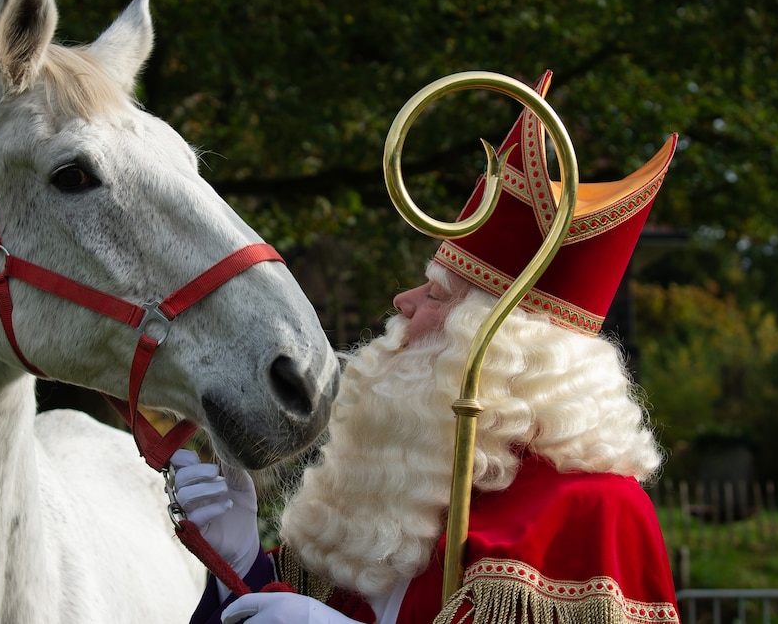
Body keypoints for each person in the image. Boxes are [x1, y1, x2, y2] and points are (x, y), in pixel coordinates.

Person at [170, 70, 682, 624]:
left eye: (436, 291)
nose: (403, 300)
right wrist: (241, 561)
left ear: (500, 343)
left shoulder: (597, 510)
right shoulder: (404, 489)